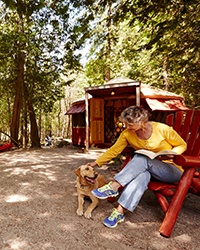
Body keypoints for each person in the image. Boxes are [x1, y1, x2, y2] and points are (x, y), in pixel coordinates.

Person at [87, 106, 187, 228]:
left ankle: (114, 186)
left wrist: (173, 153)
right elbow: (114, 150)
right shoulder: (127, 134)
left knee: (142, 158)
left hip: (171, 170)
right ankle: (119, 212)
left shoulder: (161, 129)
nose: (127, 127)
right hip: (148, 170)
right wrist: (97, 162)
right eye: (125, 124)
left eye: (130, 124)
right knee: (142, 174)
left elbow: (182, 144)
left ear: (141, 121)